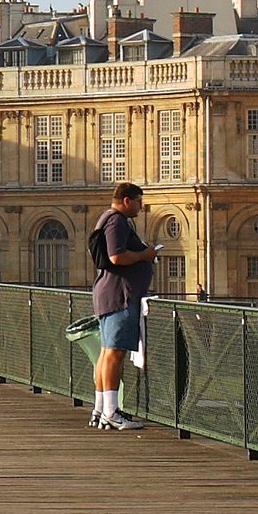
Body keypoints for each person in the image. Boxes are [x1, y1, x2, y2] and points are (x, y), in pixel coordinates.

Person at [91, 182, 157, 430]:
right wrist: (145, 255)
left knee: (107, 353)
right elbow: (116, 256)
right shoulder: (117, 221)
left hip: (111, 293)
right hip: (120, 295)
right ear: (127, 201)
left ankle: (100, 410)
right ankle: (111, 412)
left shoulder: (107, 218)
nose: (141, 207)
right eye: (139, 201)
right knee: (115, 353)